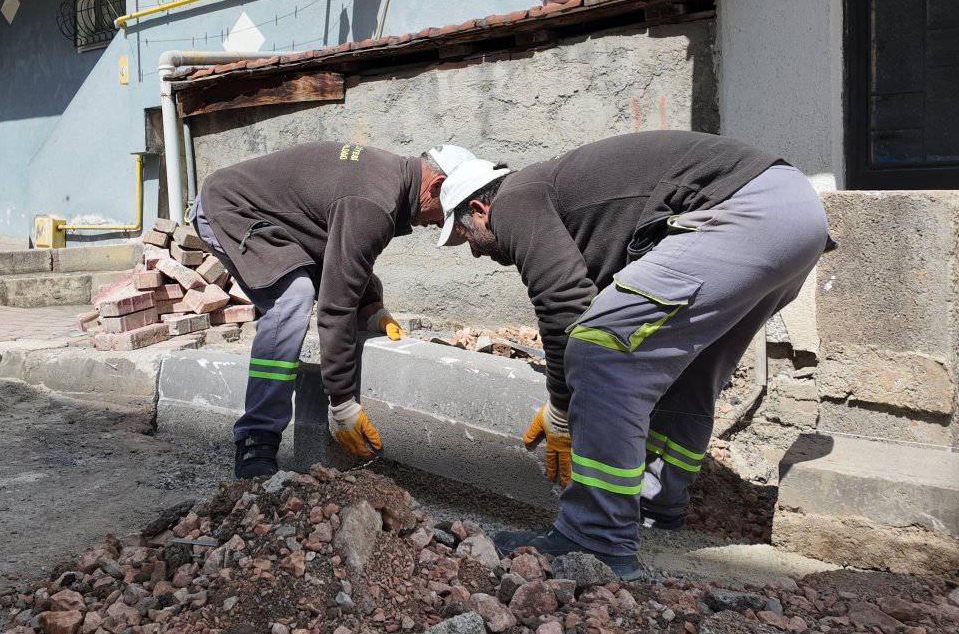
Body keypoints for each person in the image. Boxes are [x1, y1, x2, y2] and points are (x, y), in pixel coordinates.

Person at [435, 131, 833, 579]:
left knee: (600, 352)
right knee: (686, 374)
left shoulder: (516, 200)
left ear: (481, 209)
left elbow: (564, 305)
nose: (472, 249)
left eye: (465, 236)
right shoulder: (565, 198)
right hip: (794, 217)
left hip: (743, 214)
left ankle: (595, 536)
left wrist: (563, 410)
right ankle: (657, 504)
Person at [192, 142, 477, 479]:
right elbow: (335, 304)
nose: (434, 225)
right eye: (442, 217)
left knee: (316, 287)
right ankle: (258, 436)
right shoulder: (374, 201)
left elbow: (341, 252)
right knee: (293, 295)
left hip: (273, 219)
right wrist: (341, 401)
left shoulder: (386, 183)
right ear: (437, 186)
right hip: (229, 206)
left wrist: (371, 307)